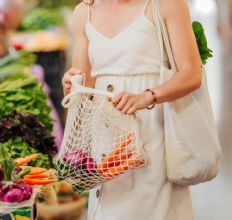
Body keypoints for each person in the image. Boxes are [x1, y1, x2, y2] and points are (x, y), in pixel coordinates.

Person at [61, 0, 202, 219]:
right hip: (108, 145)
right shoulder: (84, 12)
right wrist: (71, 84)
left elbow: (191, 73)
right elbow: (84, 89)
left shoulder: (166, 5)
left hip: (153, 138)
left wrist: (148, 95)